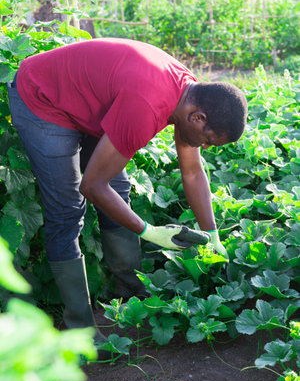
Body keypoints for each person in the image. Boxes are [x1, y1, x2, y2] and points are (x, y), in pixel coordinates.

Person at [7, 38, 247, 352]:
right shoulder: (147, 105)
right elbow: (92, 187)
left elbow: (192, 170)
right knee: (66, 213)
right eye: (209, 141)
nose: (205, 147)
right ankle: (80, 331)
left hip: (87, 102)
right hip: (43, 99)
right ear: (197, 119)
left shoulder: (190, 95)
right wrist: (150, 232)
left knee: (118, 191)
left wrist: (212, 234)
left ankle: (129, 294)